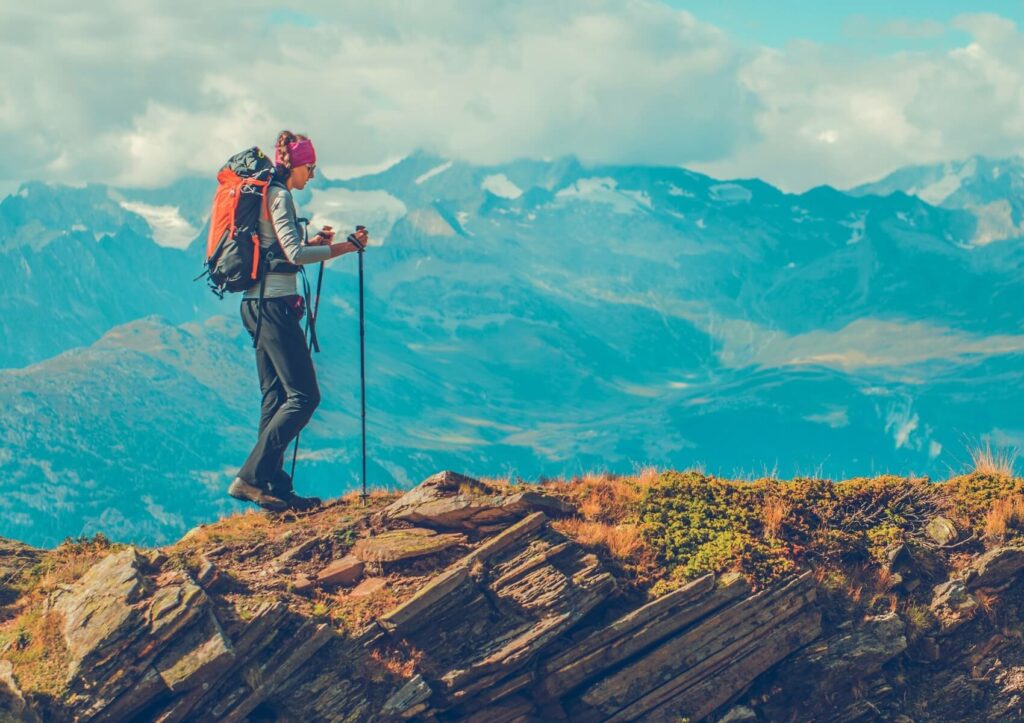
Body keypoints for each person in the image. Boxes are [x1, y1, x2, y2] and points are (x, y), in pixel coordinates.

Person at [228, 130, 369, 512]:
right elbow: (292, 255)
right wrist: (346, 246)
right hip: (273, 307)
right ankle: (251, 478)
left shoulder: (269, 194)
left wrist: (313, 239)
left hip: (255, 305)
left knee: (275, 398)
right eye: (311, 167)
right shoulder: (280, 195)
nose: (313, 175)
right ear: (298, 165)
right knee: (305, 396)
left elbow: (281, 245)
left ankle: (273, 486)